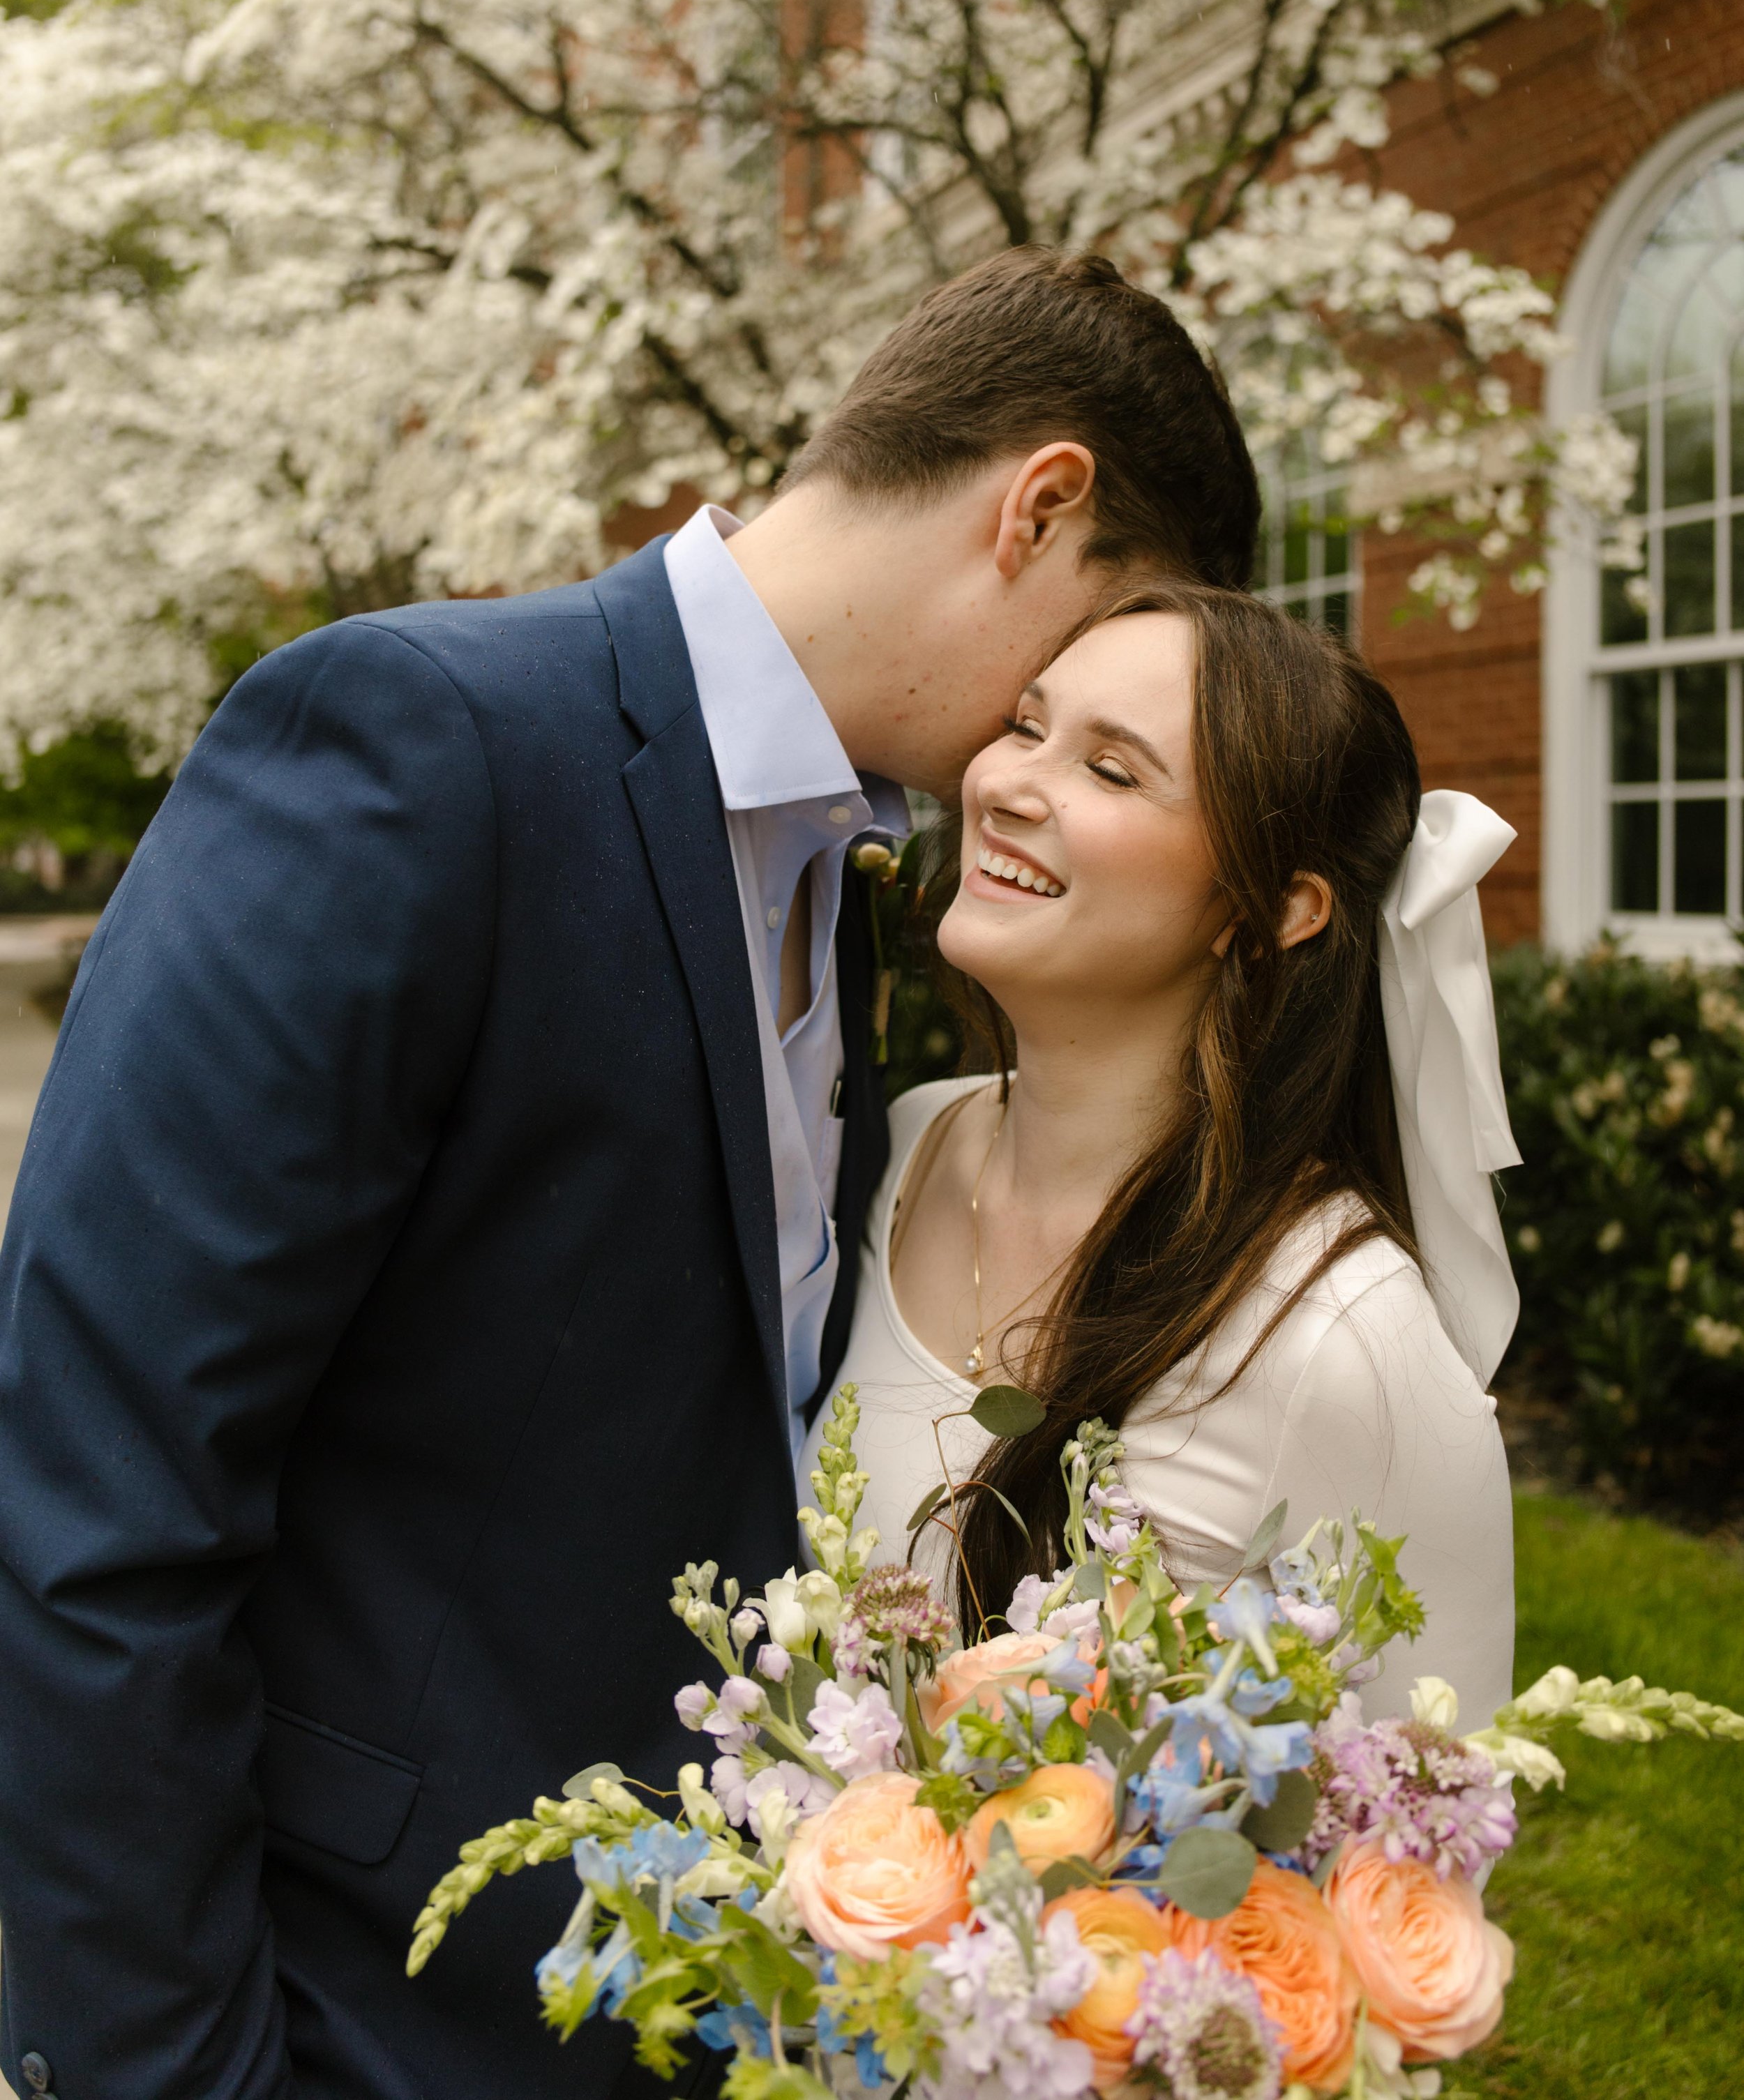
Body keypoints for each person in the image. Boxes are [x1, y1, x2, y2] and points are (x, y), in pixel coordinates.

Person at [0, 250, 1258, 2100]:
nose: (1043, 737)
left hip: (673, 2009)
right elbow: (92, 1492)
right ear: (1039, 503)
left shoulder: (854, 871)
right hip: (338, 2011)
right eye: (1094, 641)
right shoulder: (413, 742)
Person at [818, 581, 1519, 1727]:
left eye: (1111, 768)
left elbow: (1426, 1856)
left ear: (1272, 910)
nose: (1004, 784)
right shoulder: (891, 1155)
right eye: (1028, 725)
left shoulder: (1346, 1340)